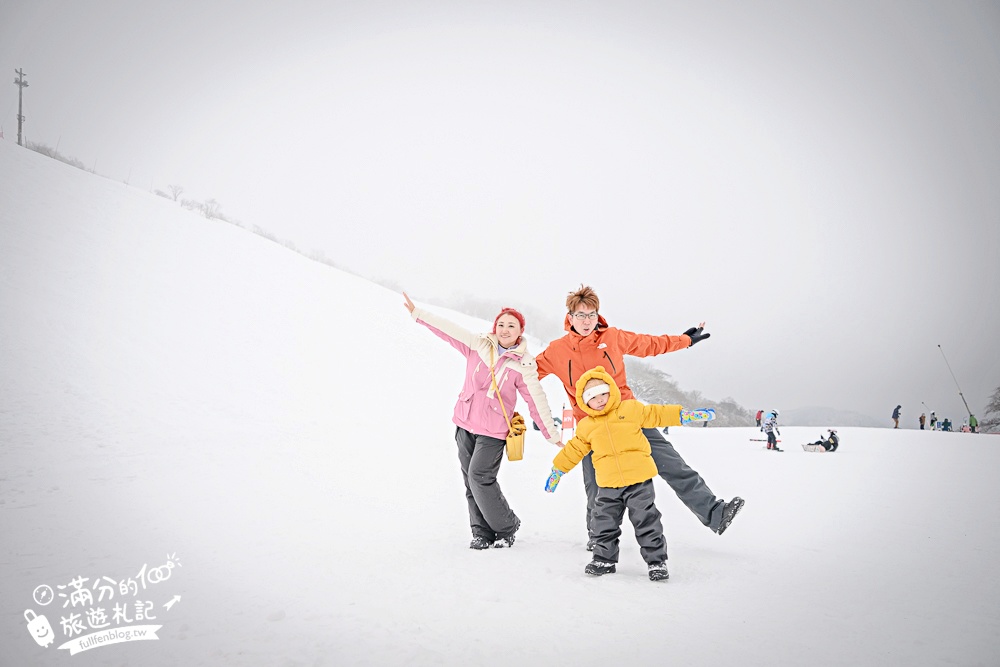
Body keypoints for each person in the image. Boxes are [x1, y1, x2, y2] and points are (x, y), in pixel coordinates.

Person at [534, 285, 744, 546]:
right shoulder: (557, 350)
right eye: (580, 315)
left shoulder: (613, 337)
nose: (586, 321)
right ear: (570, 317)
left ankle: (715, 513)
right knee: (597, 486)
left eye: (591, 315)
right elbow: (527, 373)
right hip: (592, 427)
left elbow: (650, 344)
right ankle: (597, 538)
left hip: (630, 417)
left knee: (673, 465)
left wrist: (685, 340)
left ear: (598, 315)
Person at [403, 293, 563, 550]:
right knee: (469, 480)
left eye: (512, 325)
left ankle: (507, 526)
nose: (505, 329)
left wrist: (551, 432)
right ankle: (481, 533)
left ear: (521, 331)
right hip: (464, 423)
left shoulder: (523, 365)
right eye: (501, 324)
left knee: (480, 476)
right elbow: (449, 330)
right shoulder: (478, 345)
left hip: (494, 431)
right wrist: (419, 314)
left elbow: (536, 400)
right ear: (494, 327)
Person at [542, 367, 713, 581]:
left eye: (603, 393)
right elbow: (573, 450)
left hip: (638, 481)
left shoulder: (631, 409)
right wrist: (557, 470)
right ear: (585, 402)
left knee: (647, 520)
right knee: (603, 522)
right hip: (607, 485)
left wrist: (684, 415)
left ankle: (656, 561)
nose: (600, 400)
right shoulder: (586, 426)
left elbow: (657, 414)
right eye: (593, 397)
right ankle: (603, 559)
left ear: (612, 391)